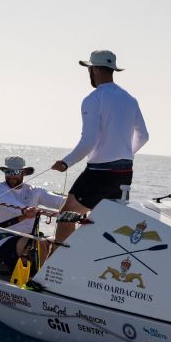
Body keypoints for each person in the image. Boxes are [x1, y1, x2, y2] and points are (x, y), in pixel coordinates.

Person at [51, 50, 149, 245]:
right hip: (125, 173)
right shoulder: (130, 99)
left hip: (100, 173)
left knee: (66, 216)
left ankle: (56, 263)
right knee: (99, 222)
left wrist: (65, 163)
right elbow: (144, 136)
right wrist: (123, 153)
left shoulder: (93, 99)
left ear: (94, 69)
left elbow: (89, 141)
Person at [0, 156, 64, 272]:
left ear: (24, 173)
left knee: (60, 242)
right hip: (6, 241)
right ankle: (41, 277)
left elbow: (59, 201)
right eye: (8, 172)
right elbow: (10, 203)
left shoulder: (34, 191)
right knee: (39, 242)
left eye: (15, 172)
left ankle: (54, 275)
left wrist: (81, 205)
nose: (11, 175)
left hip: (29, 238)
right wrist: (25, 210)